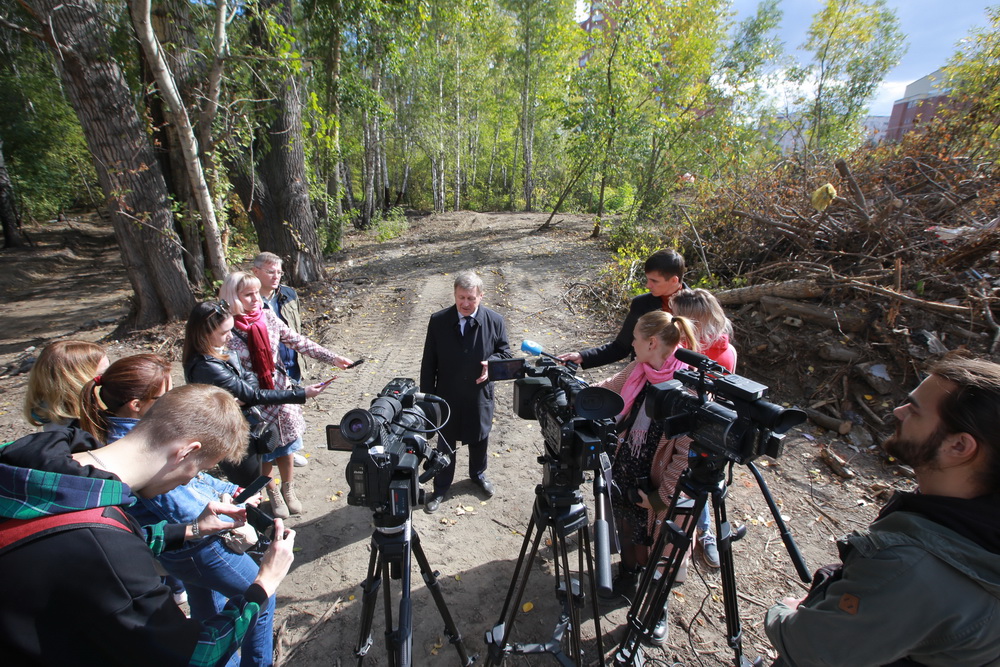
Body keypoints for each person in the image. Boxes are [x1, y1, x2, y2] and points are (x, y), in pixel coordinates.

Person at [0, 384, 297, 666]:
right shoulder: (107, 552)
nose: (189, 479)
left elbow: (72, 538)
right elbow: (194, 656)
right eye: (199, 469)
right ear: (185, 452)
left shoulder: (33, 463)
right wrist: (264, 584)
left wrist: (190, 530)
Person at [765, 356, 1000, 667]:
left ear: (958, 446)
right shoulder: (970, 518)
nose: (898, 411)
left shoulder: (910, 568)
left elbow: (810, 649)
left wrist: (785, 610)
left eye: (914, 410)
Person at [596, 310, 698, 645]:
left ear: (652, 342)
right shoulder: (639, 369)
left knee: (662, 550)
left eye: (635, 339)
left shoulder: (688, 391)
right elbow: (607, 390)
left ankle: (657, 608)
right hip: (626, 475)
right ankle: (628, 576)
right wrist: (575, 391)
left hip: (661, 493)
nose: (631, 344)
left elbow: (686, 459)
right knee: (626, 529)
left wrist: (658, 499)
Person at [219, 271, 352, 518]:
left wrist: (332, 358)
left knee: (287, 445)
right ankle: (273, 491)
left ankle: (288, 489)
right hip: (253, 401)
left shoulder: (268, 316)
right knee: (264, 449)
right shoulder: (225, 328)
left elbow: (297, 341)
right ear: (232, 296)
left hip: (282, 392)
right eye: (248, 295)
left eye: (257, 293)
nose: (256, 299)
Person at [183, 300, 329, 484]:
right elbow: (254, 395)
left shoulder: (216, 351)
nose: (230, 337)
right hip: (231, 435)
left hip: (238, 427)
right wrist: (302, 393)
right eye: (224, 332)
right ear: (204, 333)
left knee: (254, 478)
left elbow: (249, 379)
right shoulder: (207, 366)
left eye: (230, 330)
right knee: (249, 484)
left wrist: (247, 393)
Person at [419, 270, 511, 513]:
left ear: (481, 296)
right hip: (447, 395)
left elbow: (505, 353)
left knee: (479, 437)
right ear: (455, 295)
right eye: (461, 298)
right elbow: (428, 363)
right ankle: (441, 487)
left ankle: (478, 475)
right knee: (445, 443)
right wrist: (428, 401)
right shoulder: (438, 321)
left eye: (471, 298)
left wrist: (492, 364)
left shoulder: (495, 321)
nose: (466, 304)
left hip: (479, 393)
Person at [668, 288, 738, 569]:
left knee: (696, 480)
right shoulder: (687, 345)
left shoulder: (718, 355)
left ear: (692, 321)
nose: (672, 320)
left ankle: (704, 532)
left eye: (676, 316)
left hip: (702, 430)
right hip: (682, 421)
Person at [559, 248, 685, 369]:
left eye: (654, 281)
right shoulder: (641, 304)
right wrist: (583, 356)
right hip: (642, 377)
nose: (647, 285)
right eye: (647, 279)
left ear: (674, 280)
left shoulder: (695, 307)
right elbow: (621, 347)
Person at [251, 252, 310, 468]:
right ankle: (271, 453)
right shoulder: (249, 300)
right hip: (266, 371)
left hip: (292, 364)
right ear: (255, 272)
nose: (276, 276)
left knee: (291, 411)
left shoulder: (289, 294)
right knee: (267, 416)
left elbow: (296, 330)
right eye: (270, 272)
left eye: (279, 272)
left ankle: (290, 450)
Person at [23, 339, 109, 430]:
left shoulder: (50, 408)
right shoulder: (81, 429)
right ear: (77, 381)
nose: (111, 376)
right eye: (102, 374)